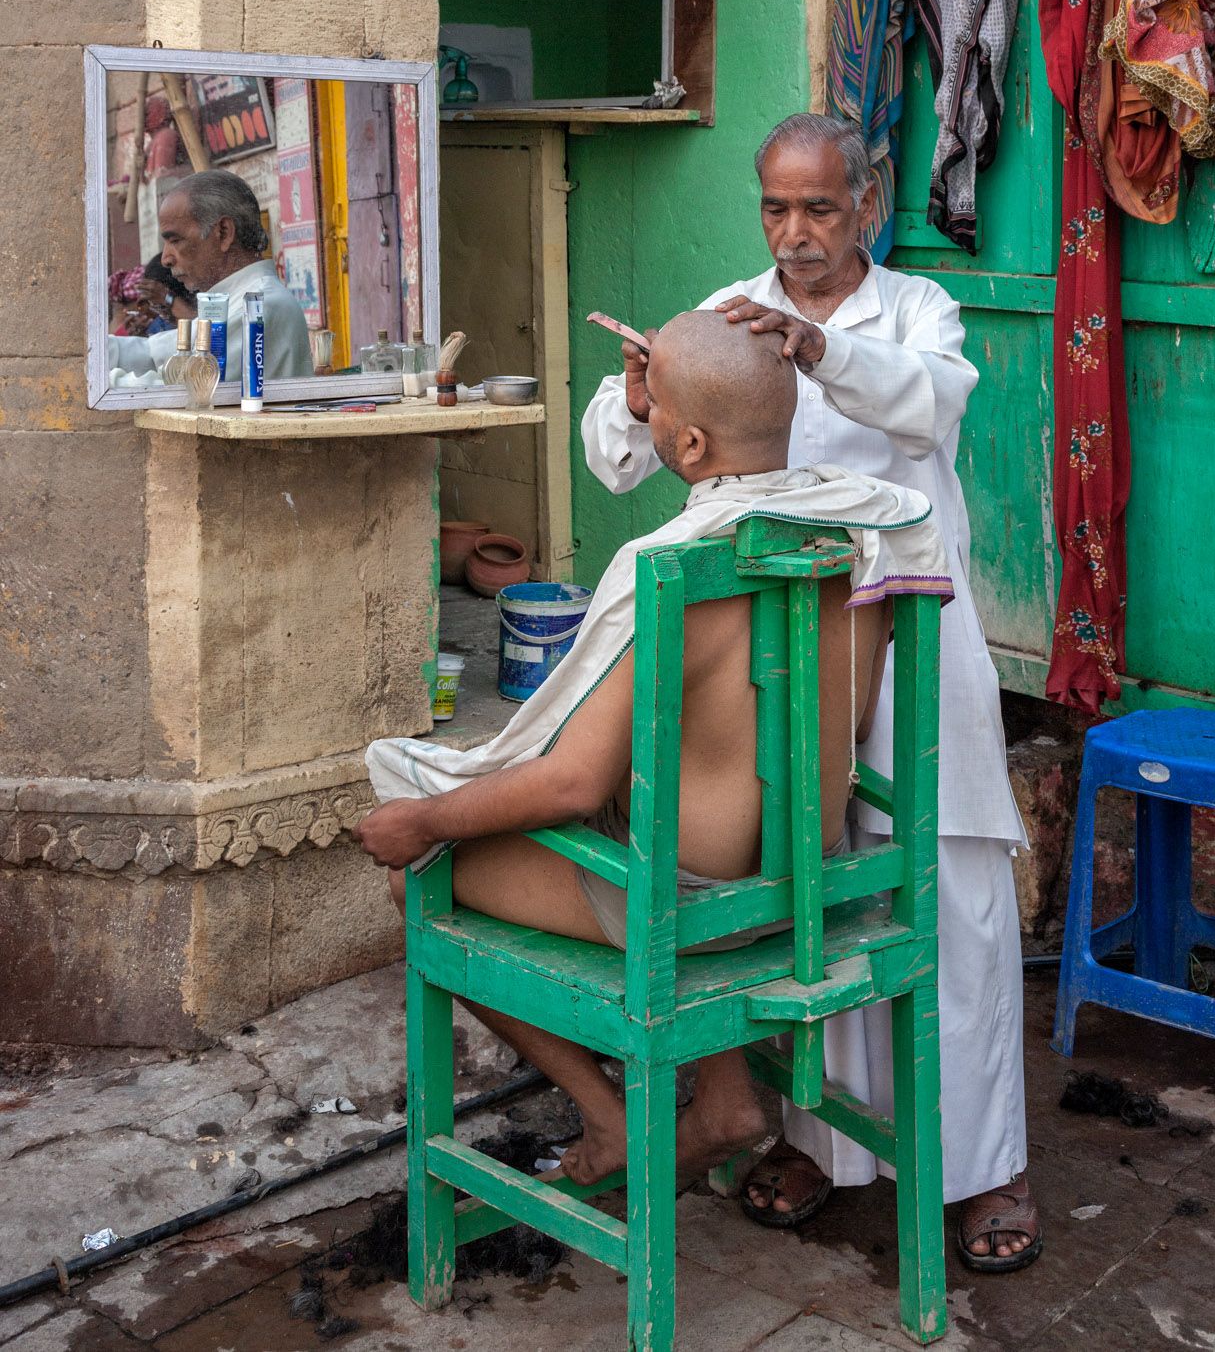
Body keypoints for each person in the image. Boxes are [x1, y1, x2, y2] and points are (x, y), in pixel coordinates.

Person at [581, 113, 1040, 1271]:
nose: (794, 233)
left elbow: (932, 402)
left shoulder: (916, 312)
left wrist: (817, 348)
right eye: (777, 209)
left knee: (950, 896)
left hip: (913, 638)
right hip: (786, 651)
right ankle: (819, 1144)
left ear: (867, 205)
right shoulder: (727, 304)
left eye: (819, 209)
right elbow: (617, 456)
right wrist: (639, 393)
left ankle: (986, 1166)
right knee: (809, 895)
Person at [356, 311, 951, 1187]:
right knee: (662, 793)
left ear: (689, 440)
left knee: (425, 872)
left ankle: (608, 1123)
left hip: (697, 909)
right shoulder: (859, 533)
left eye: (654, 406)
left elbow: (569, 780)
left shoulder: (676, 572)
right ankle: (723, 1100)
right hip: (815, 879)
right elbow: (852, 730)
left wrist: (420, 819)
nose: (644, 415)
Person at [107, 171, 313, 387]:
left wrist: (91, 381)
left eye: (175, 240)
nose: (166, 259)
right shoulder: (233, 301)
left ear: (223, 233)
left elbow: (182, 388)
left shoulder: (259, 307)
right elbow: (153, 354)